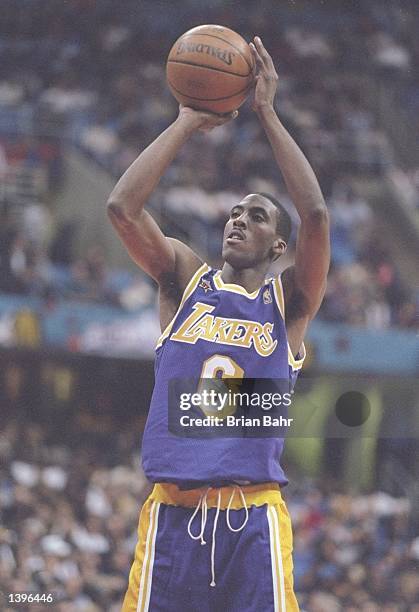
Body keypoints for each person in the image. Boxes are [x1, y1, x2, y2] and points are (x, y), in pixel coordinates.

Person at [107, 37, 329, 612]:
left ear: (278, 244)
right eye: (234, 211)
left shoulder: (290, 305)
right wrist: (185, 120)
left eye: (256, 215)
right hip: (171, 516)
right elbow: (121, 209)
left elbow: (317, 215)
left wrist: (267, 113)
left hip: (253, 516)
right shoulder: (185, 280)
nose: (238, 219)